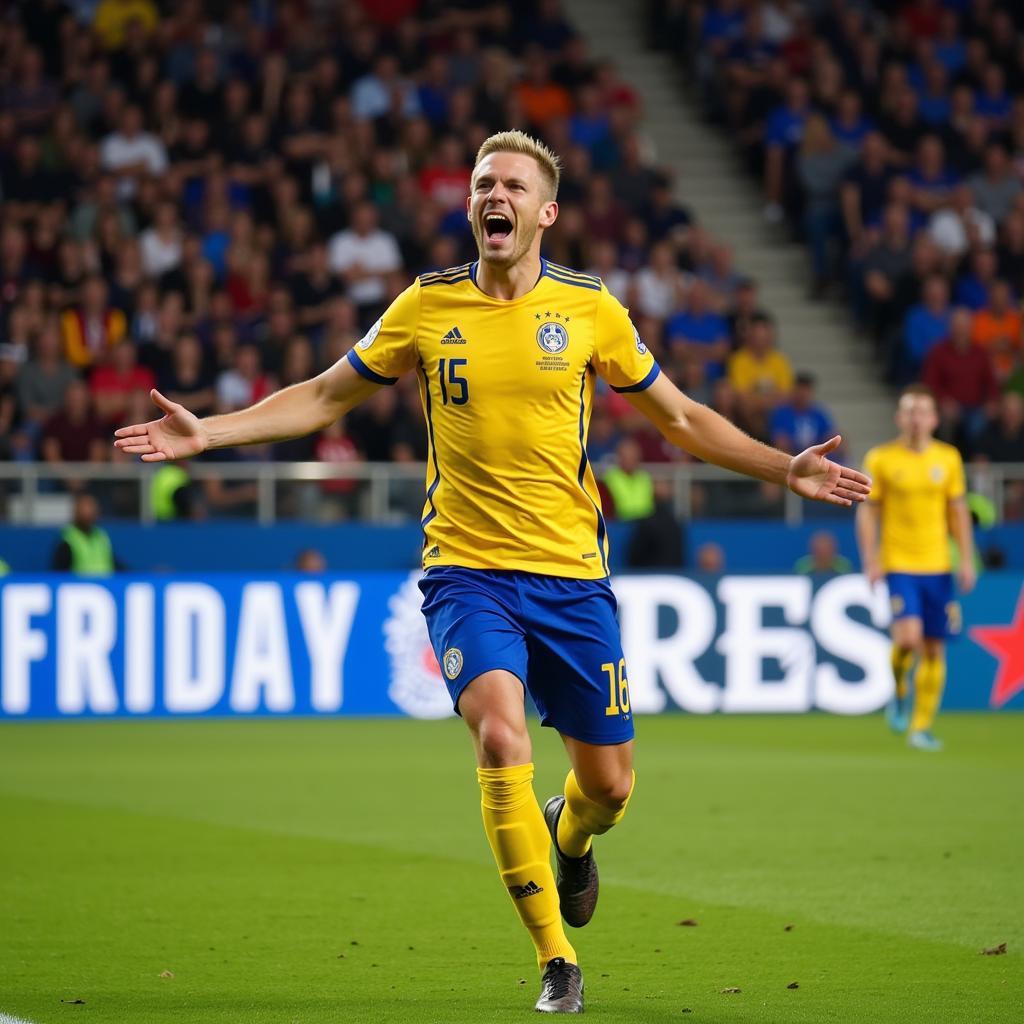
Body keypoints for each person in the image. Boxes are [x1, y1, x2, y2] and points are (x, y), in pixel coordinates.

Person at [115, 130, 870, 1014]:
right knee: (501, 738)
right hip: (466, 573)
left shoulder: (591, 309)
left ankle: (571, 838)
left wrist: (785, 466)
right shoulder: (426, 306)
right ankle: (556, 959)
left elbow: (682, 419)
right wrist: (212, 431)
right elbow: (325, 395)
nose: (492, 195)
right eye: (482, 184)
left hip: (573, 580)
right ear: (471, 205)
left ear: (545, 212)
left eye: (512, 184)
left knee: (611, 789)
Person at [856, 385, 975, 753]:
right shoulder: (881, 459)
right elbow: (867, 512)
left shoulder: (949, 458)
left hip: (938, 564)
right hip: (900, 564)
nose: (916, 418)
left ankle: (921, 727)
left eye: (923, 411)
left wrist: (966, 559)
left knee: (935, 649)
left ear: (935, 419)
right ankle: (899, 688)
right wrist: (871, 559)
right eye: (910, 411)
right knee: (908, 639)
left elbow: (957, 512)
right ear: (899, 418)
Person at [51, 491, 119, 575]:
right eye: (85, 508)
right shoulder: (67, 540)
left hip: (106, 586)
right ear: (75, 511)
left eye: (92, 508)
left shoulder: (101, 536)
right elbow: (59, 573)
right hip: (79, 587)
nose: (89, 512)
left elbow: (113, 563)